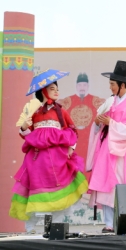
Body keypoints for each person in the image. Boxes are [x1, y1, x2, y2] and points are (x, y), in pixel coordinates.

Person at [10, 69, 88, 233]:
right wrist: (24, 126)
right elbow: (26, 135)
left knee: (59, 193)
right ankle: (30, 228)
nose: (57, 91)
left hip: (58, 160)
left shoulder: (62, 112)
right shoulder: (33, 112)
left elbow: (73, 131)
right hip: (37, 161)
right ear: (43, 91)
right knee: (35, 189)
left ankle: (54, 228)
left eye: (57, 89)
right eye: (53, 89)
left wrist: (70, 148)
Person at [86, 61, 126, 233]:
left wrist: (111, 122)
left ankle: (122, 222)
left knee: (118, 184)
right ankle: (109, 223)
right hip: (105, 148)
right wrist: (98, 123)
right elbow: (99, 125)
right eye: (110, 84)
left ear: (122, 85)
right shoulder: (110, 101)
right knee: (105, 184)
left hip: (120, 151)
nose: (110, 87)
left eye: (112, 84)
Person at [58, 73, 105, 178]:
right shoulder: (67, 102)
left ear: (88, 86)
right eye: (80, 85)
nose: (82, 88)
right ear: (76, 86)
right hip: (73, 142)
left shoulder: (96, 101)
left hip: (89, 142)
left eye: (84, 85)